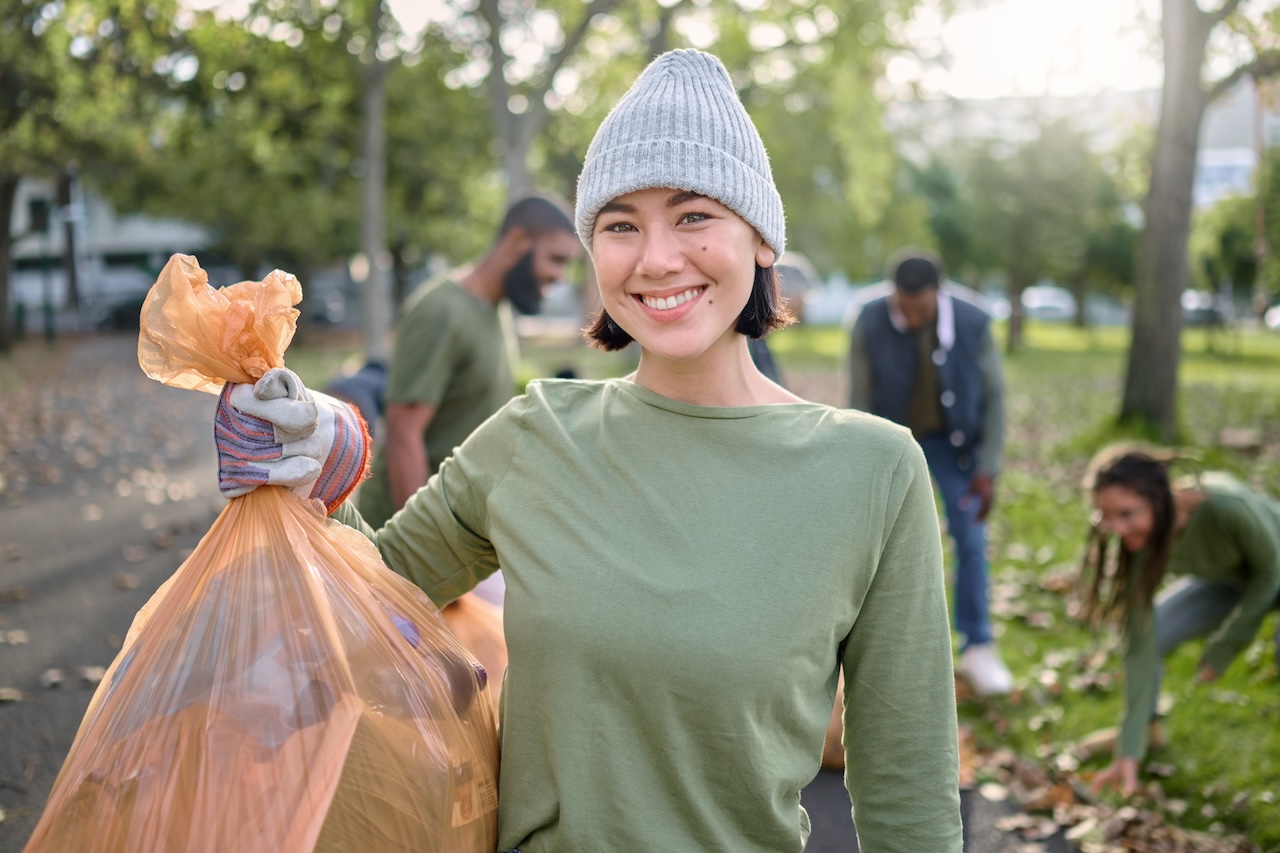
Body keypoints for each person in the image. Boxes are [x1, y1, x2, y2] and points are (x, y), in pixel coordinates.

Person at [214, 49, 963, 851]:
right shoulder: (534, 435)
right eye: (619, 225)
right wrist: (317, 480)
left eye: (694, 215)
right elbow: (369, 607)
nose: (656, 258)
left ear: (762, 240)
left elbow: (907, 782)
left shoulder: (873, 472)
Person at [355, 194, 580, 530]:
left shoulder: (496, 308)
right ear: (518, 241)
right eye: (556, 259)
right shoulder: (442, 312)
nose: (560, 276)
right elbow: (404, 433)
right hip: (407, 539)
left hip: (462, 531)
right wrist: (420, 547)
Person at [846, 250, 1012, 695]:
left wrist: (987, 468)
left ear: (940, 292)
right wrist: (862, 462)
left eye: (921, 307)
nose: (912, 315)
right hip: (892, 443)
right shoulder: (869, 320)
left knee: (972, 539)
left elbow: (995, 396)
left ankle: (978, 646)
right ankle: (882, 649)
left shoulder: (974, 321)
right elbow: (859, 394)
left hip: (955, 447)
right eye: (904, 305)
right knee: (881, 544)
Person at [1079, 446, 1280, 797]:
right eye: (1107, 517)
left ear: (1158, 497)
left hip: (1272, 569)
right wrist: (1128, 750)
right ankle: (1146, 730)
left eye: (1127, 513)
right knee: (1145, 632)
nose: (1118, 529)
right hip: (1227, 581)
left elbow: (1270, 573)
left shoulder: (1223, 507)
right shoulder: (1141, 538)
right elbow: (1140, 638)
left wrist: (1225, 645)